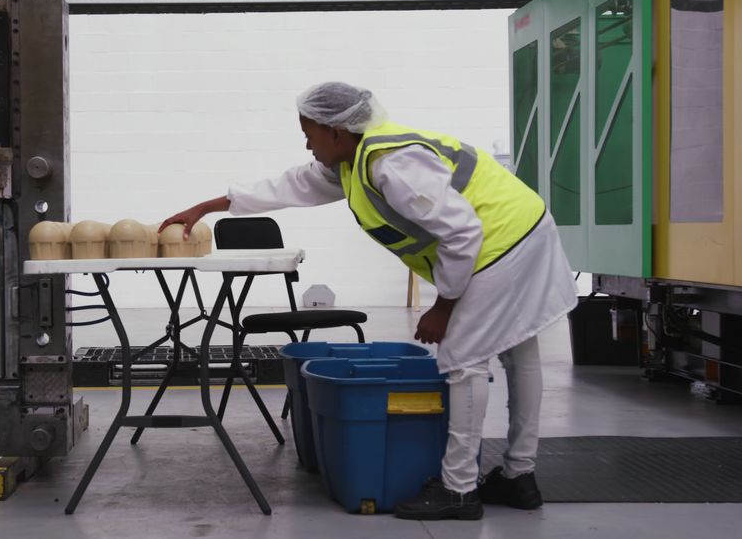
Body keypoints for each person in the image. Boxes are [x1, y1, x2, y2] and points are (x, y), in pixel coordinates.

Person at [159, 81, 578, 520]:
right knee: (519, 351)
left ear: (336, 133)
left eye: (309, 133)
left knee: (463, 359)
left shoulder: (391, 165)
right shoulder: (353, 160)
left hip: (500, 244)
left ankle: (459, 490)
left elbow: (463, 232)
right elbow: (292, 185)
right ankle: (519, 477)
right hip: (522, 227)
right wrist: (207, 207)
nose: (305, 143)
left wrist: (444, 306)